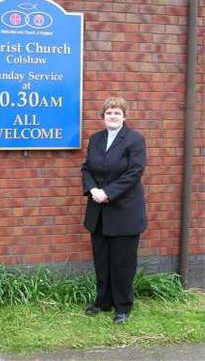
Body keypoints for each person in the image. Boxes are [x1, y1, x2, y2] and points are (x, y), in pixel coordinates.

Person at [81, 97, 146, 324]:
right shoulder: (96, 139)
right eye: (109, 113)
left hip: (124, 212)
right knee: (102, 261)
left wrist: (108, 192)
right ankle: (103, 302)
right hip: (98, 212)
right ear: (103, 116)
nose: (112, 116)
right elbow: (87, 168)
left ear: (124, 116)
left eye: (117, 113)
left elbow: (134, 173)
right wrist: (92, 189)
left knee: (122, 263)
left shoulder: (135, 140)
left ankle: (123, 307)